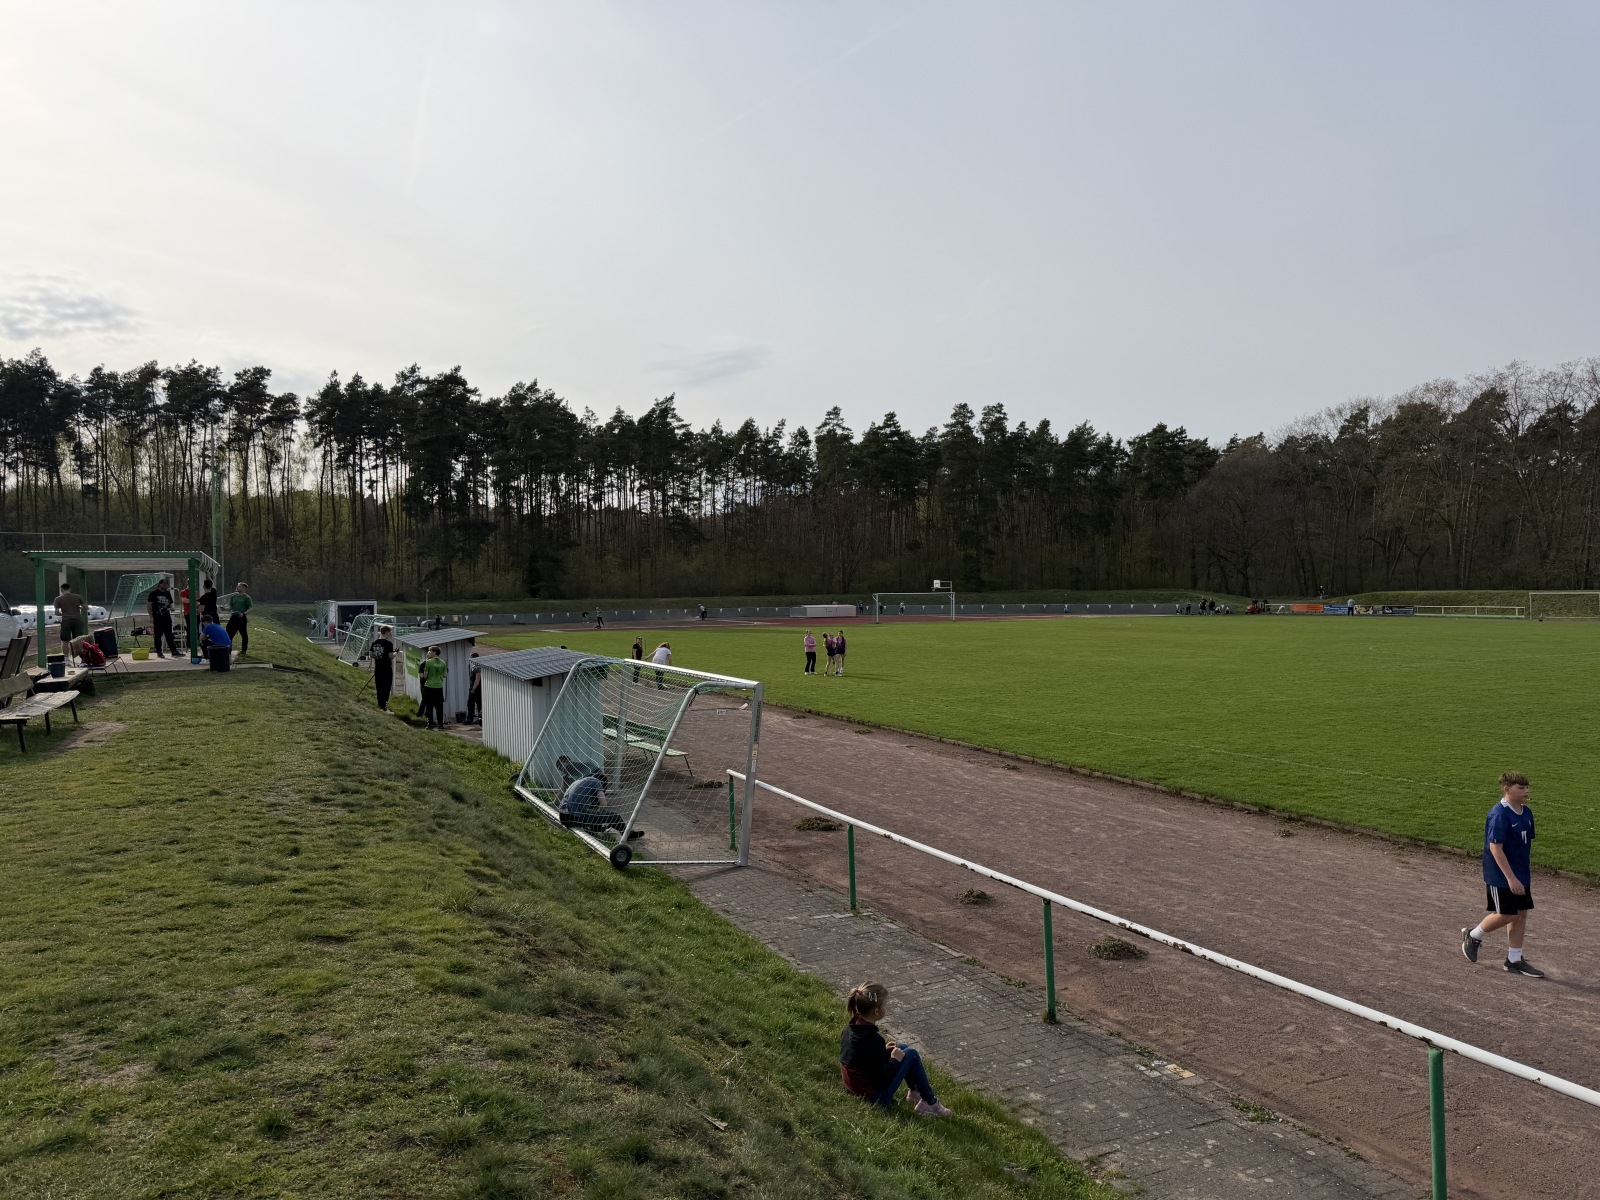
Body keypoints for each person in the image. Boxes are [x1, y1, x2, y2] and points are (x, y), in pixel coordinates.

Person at [1462, 772, 1543, 977]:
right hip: (1501, 874)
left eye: (1527, 787)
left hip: (1520, 873)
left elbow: (1523, 845)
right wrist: (1511, 878)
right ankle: (1473, 935)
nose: (1526, 791)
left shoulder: (1526, 813)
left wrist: (1521, 874)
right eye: (1521, 788)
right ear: (1507, 789)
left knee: (1521, 913)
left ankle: (1514, 959)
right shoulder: (1499, 814)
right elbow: (1495, 849)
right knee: (1508, 913)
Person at [838, 983, 951, 1116]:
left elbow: (863, 1057)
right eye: (884, 1005)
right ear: (876, 1011)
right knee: (912, 1054)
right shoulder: (874, 1040)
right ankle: (931, 1103)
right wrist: (894, 1060)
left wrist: (883, 1051)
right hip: (874, 1098)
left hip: (855, 1088)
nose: (886, 1008)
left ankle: (914, 1093)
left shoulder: (850, 1029)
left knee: (902, 1047)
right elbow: (881, 1081)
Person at [558, 768, 644, 838]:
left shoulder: (579, 781)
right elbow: (604, 804)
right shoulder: (597, 782)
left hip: (563, 817)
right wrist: (602, 814)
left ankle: (599, 828)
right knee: (614, 817)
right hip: (573, 818)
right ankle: (627, 835)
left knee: (592, 815)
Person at [55, 581, 87, 662]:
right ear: (70, 589)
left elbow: (56, 612)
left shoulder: (58, 599)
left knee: (65, 640)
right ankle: (82, 658)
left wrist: (62, 613)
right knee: (78, 639)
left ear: (61, 590)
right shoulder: (78, 597)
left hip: (66, 621)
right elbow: (86, 607)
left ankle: (66, 659)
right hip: (77, 620)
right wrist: (79, 608)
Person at [148, 576, 179, 658]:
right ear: (159, 584)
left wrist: (171, 608)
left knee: (169, 634)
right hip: (157, 617)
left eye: (166, 584)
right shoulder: (153, 594)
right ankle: (159, 651)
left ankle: (174, 651)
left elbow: (170, 604)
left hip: (166, 617)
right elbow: (149, 605)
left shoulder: (167, 593)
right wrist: (151, 616)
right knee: (158, 635)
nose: (165, 585)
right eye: (163, 583)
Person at [369, 625, 396, 712]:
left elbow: (371, 654)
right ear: (387, 632)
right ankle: (384, 706)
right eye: (390, 633)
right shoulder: (388, 643)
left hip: (378, 668)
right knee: (386, 688)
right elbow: (390, 656)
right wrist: (396, 653)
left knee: (379, 687)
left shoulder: (374, 642)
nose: (390, 634)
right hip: (386, 669)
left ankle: (380, 704)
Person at [420, 645, 448, 729]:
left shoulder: (428, 662)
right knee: (439, 707)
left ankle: (430, 724)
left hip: (429, 686)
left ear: (434, 652)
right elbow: (445, 675)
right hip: (439, 686)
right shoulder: (443, 662)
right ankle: (440, 724)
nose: (429, 652)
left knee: (429, 706)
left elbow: (425, 676)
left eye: (430, 651)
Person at [226, 582, 253, 657]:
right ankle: (228, 649)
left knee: (243, 634)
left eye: (239, 586)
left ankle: (244, 650)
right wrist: (225, 608)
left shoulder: (247, 598)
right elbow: (230, 606)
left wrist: (244, 613)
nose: (237, 587)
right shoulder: (234, 596)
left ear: (244, 588)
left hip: (241, 617)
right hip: (233, 616)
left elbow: (251, 608)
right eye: (237, 586)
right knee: (229, 633)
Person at [466, 650, 483, 725]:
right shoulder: (474, 666)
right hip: (473, 687)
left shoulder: (478, 667)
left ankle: (476, 719)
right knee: (471, 703)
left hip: (476, 688)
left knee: (475, 703)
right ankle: (473, 718)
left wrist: (474, 688)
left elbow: (477, 679)